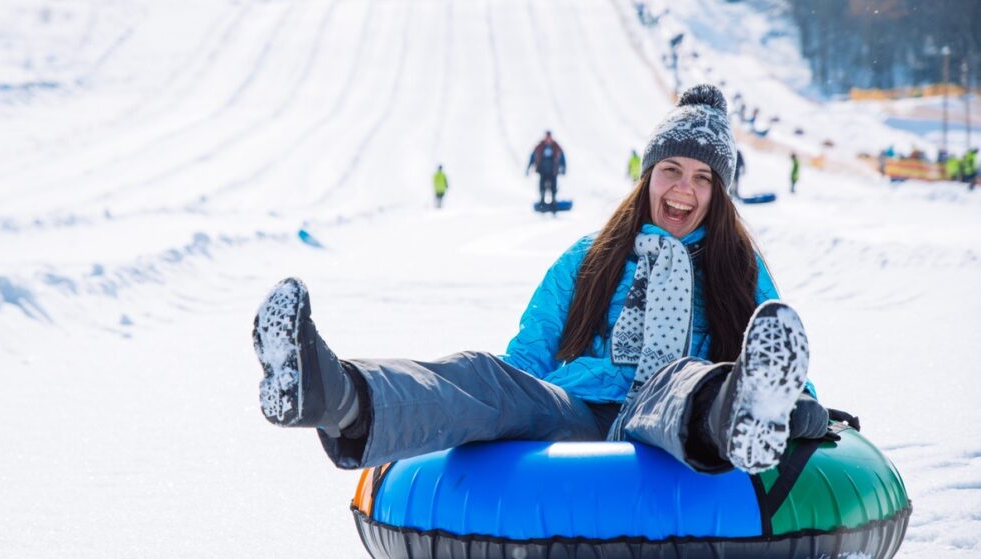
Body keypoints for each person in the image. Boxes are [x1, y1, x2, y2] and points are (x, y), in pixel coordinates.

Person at [251, 84, 828, 476]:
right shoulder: (591, 256)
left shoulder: (737, 268)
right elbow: (529, 353)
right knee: (484, 376)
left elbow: (772, 364)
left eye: (703, 178)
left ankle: (735, 419)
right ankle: (336, 394)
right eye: (671, 169)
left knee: (686, 385)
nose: (684, 189)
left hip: (674, 409)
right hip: (580, 407)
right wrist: (503, 403)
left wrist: (797, 408)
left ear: (718, 194)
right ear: (648, 176)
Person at [526, 131, 566, 209]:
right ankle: (542, 200)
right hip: (543, 170)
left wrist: (563, 167)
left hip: (553, 170)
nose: (548, 139)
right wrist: (529, 167)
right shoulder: (540, 146)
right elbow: (533, 156)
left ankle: (553, 200)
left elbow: (562, 156)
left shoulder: (555, 146)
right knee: (542, 186)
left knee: (553, 186)